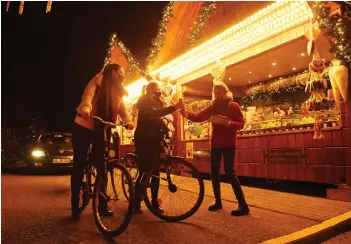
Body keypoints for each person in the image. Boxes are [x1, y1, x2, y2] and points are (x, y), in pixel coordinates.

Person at [71, 63, 134, 220]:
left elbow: (121, 107)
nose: (122, 75)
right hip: (84, 124)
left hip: (101, 129)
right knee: (79, 162)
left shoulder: (118, 89)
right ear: (113, 72)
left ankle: (102, 203)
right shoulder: (99, 79)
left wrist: (127, 120)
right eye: (121, 72)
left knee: (102, 165)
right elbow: (88, 94)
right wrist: (86, 108)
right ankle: (74, 202)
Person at [182, 82, 250, 216]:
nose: (217, 95)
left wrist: (229, 123)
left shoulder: (233, 106)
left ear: (226, 92)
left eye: (220, 93)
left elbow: (241, 123)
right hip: (216, 144)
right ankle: (218, 201)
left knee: (230, 172)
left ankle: (243, 204)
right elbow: (199, 117)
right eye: (215, 93)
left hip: (229, 143)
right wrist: (186, 114)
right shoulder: (213, 106)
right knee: (214, 172)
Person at [133, 81, 183, 213]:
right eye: (156, 90)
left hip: (156, 138)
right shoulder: (143, 101)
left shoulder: (159, 101)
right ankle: (136, 202)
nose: (158, 92)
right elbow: (154, 114)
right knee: (144, 171)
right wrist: (174, 107)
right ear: (149, 90)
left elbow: (161, 118)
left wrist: (167, 129)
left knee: (155, 172)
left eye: (159, 90)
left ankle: (154, 202)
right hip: (144, 139)